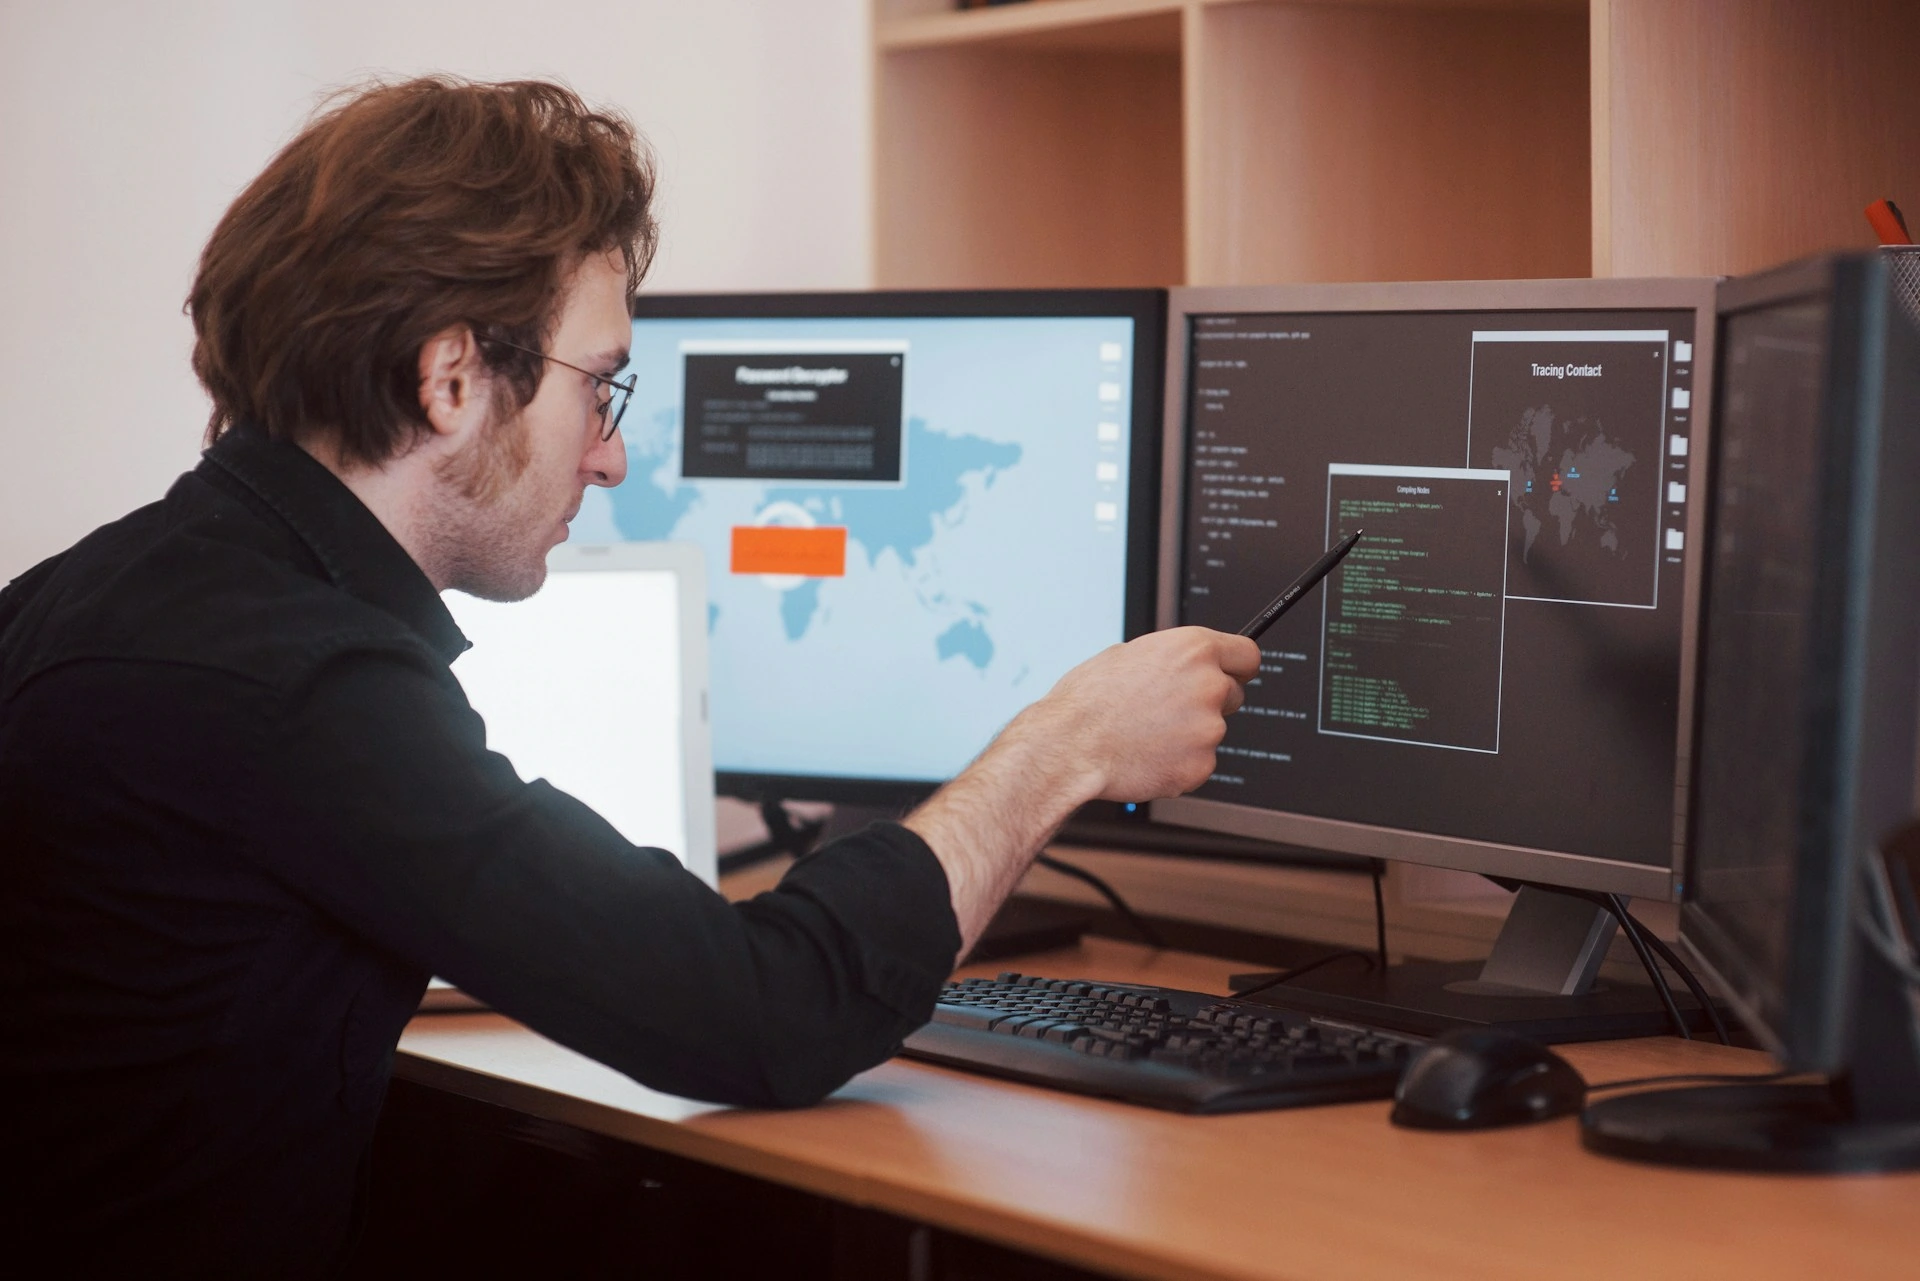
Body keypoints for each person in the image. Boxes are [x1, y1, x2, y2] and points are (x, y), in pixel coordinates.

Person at [0, 77, 1259, 1275]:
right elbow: (761, 1018)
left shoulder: (102, 593)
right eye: (598, 387)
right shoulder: (297, 688)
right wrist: (1063, 746)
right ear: (449, 380)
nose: (608, 460)